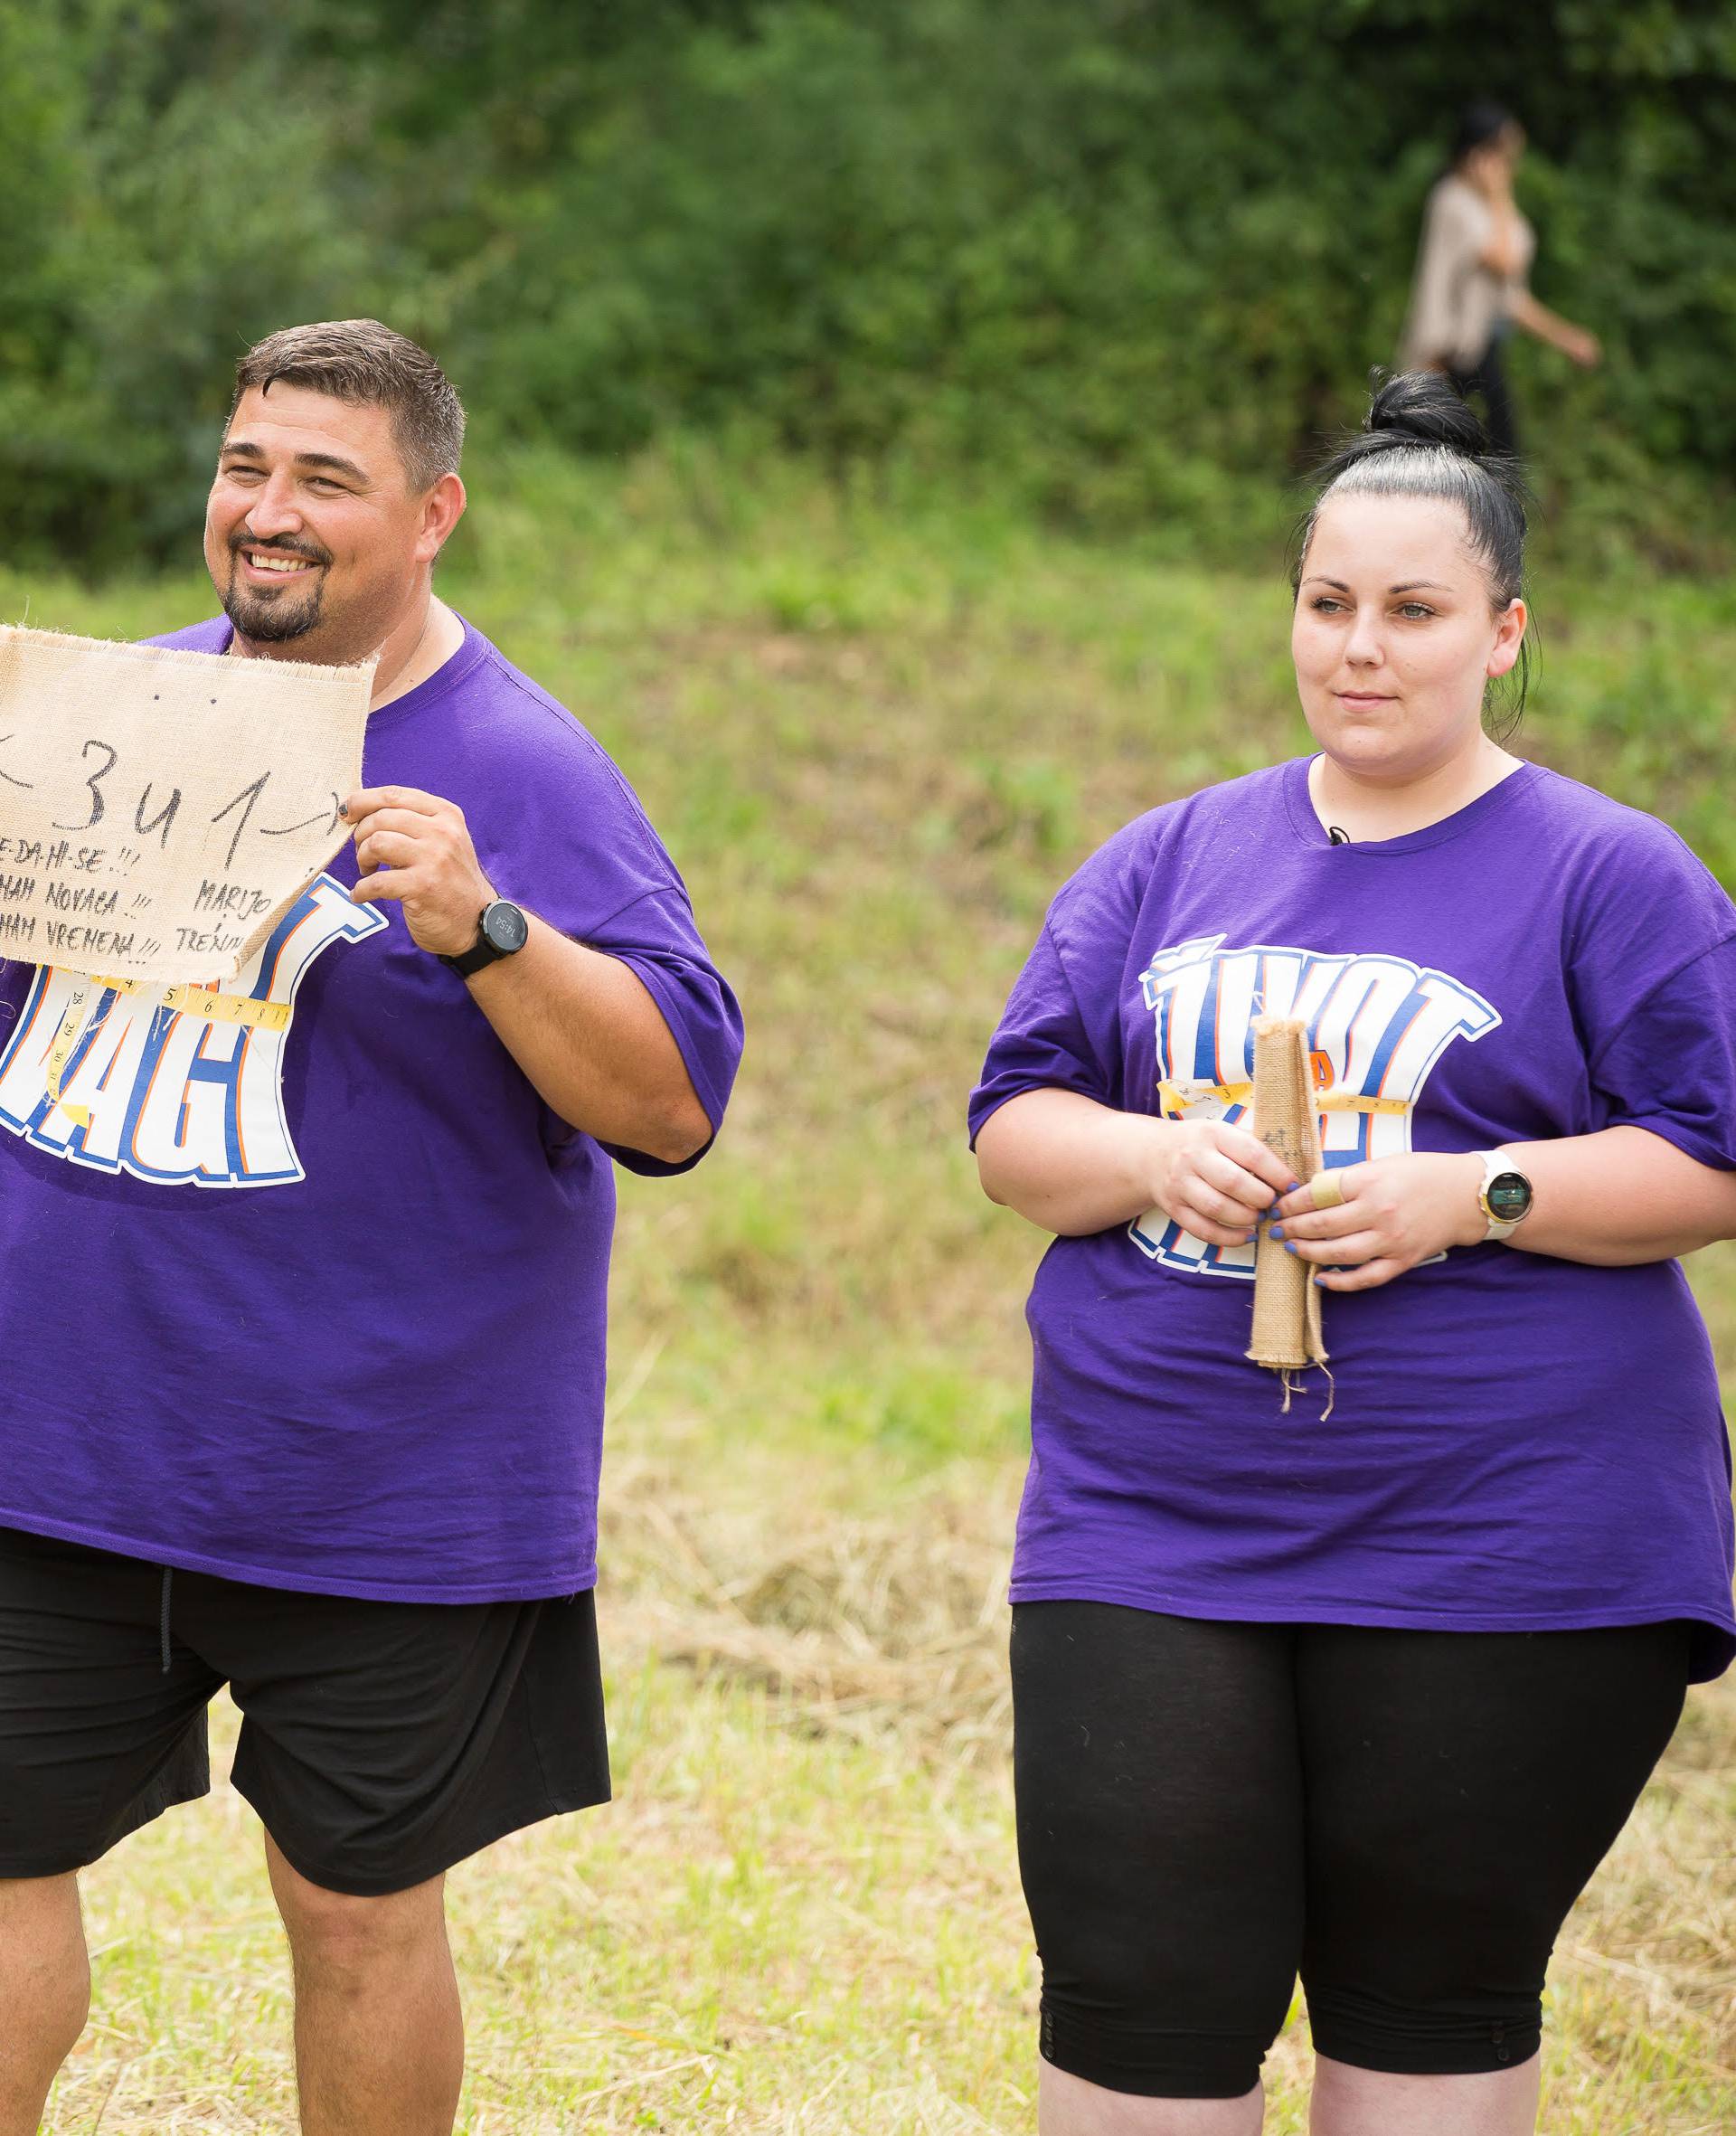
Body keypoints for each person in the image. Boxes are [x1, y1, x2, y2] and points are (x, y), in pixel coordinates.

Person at [968, 371, 1736, 2136]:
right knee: (1137, 2000)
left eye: (1414, 609)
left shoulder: (1611, 876)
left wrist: (1473, 1195)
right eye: (1329, 603)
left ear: (1506, 632)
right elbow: (1017, 1129)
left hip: (1508, 1535)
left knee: (1426, 2006)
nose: (1361, 647)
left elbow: (1714, 1151)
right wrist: (1159, 1149)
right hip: (1154, 1514)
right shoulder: (1168, 857)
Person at [0, 319, 743, 2136]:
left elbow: (671, 1103)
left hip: (375, 1472)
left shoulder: (525, 762)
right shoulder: (106, 716)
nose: (270, 511)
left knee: (352, 1906)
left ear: (434, 513)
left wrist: (491, 926)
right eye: (249, 466)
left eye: (325, 477)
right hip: (59, 1438)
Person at [1400, 101, 1600, 456]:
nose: (1512, 168)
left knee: (1497, 454)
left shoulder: (1485, 207)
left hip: (1481, 350)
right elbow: (1505, 262)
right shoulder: (1453, 202)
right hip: (1449, 356)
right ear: (1480, 154)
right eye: (1506, 156)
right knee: (1468, 458)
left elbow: (1510, 297)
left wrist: (1565, 338)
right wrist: (1499, 195)